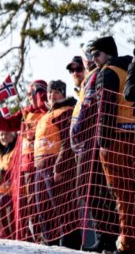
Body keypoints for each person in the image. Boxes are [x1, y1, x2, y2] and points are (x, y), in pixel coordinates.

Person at [0, 79, 48, 243]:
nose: (29, 97)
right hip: (26, 167)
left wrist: (40, 98)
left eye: (33, 93)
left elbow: (45, 108)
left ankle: (44, 238)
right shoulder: (26, 113)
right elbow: (8, 123)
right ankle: (34, 240)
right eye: (28, 94)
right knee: (30, 207)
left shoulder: (46, 111)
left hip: (42, 163)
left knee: (41, 204)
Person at [70, 43, 119, 253]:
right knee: (89, 189)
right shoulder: (87, 80)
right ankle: (105, 236)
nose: (89, 59)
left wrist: (79, 129)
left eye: (93, 55)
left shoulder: (97, 76)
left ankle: (108, 236)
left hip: (93, 138)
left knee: (93, 189)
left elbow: (90, 107)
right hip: (85, 143)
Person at [93, 36, 135, 253]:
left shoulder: (107, 72)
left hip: (116, 140)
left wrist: (103, 141)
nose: (94, 59)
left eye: (96, 54)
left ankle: (127, 245)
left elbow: (105, 108)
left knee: (123, 195)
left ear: (107, 53)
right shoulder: (129, 68)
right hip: (132, 135)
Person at [33, 80, 81, 248]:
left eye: (56, 92)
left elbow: (67, 142)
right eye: (49, 92)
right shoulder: (46, 115)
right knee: (43, 210)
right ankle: (50, 245)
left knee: (63, 209)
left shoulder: (66, 111)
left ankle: (70, 246)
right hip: (40, 167)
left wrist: (59, 166)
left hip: (57, 165)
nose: (52, 95)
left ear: (63, 94)